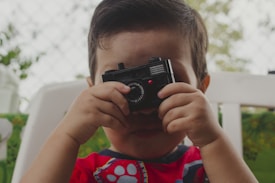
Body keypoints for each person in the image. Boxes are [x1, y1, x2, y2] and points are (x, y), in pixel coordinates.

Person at [21, 0, 258, 182]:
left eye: (165, 80)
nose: (145, 108)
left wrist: (213, 140)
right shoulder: (84, 173)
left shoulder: (211, 168)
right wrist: (67, 135)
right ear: (93, 92)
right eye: (125, 85)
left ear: (201, 89)